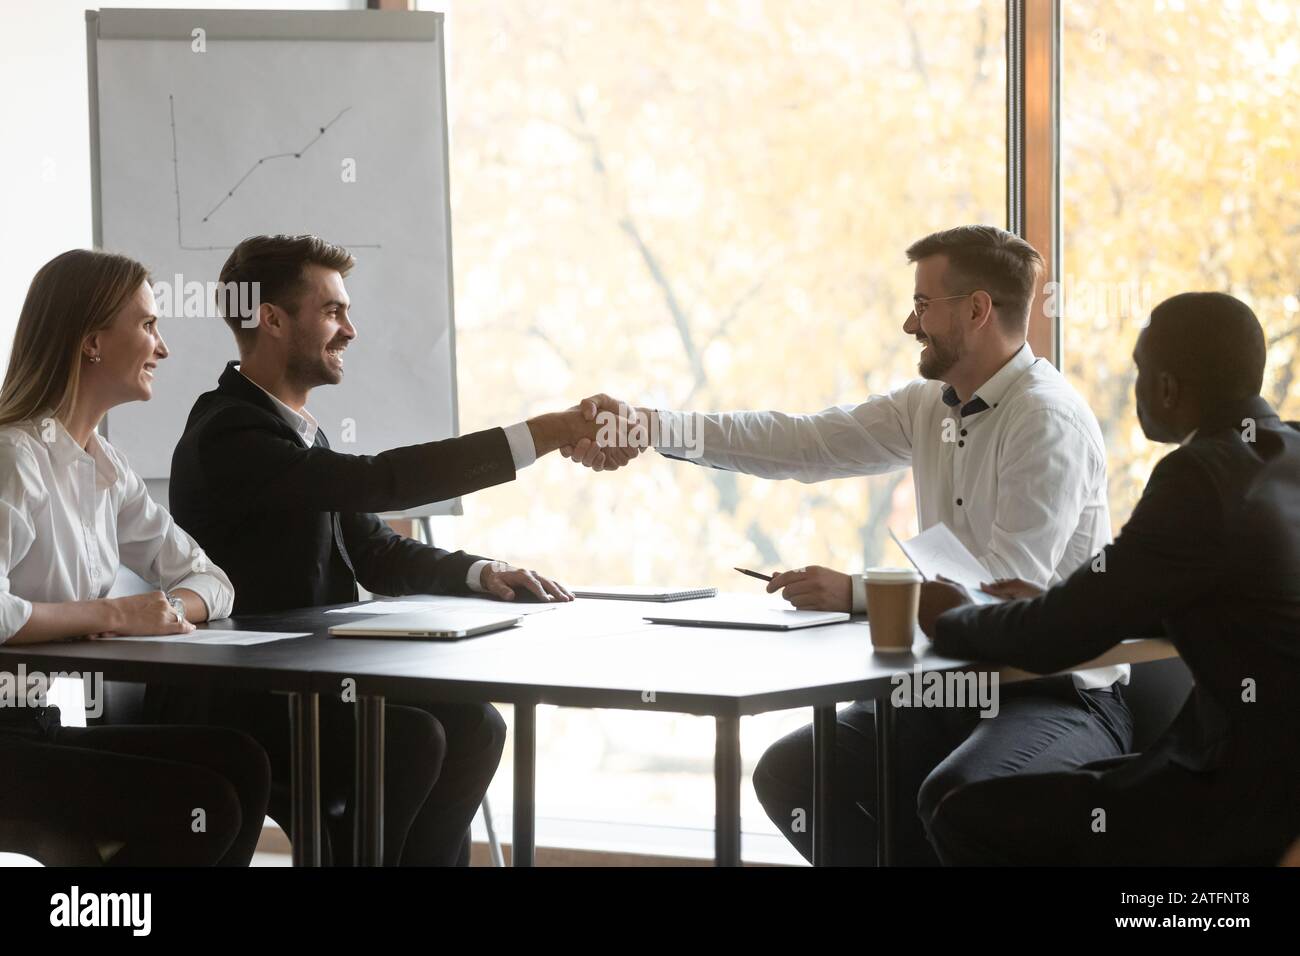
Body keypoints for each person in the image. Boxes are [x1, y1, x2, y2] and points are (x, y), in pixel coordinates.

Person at [565, 225, 1132, 865]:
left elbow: (1002, 589)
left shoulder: (1046, 418)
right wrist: (648, 427)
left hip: (1056, 693)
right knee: (792, 772)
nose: (908, 324)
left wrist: (856, 592)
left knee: (960, 796)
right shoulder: (926, 406)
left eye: (923, 305)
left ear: (977, 310)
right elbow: (799, 443)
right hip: (948, 686)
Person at [149, 233, 618, 865]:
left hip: (311, 688)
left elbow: (375, 552)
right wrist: (549, 432)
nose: (351, 330)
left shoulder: (293, 435)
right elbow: (377, 482)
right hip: (246, 700)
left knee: (477, 724)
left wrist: (484, 573)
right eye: (334, 311)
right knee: (411, 737)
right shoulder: (229, 433)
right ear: (273, 319)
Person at [919, 292, 1300, 865]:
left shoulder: (1199, 476)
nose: (1137, 387)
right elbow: (1227, 594)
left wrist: (954, 617)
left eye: (1141, 371)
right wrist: (1059, 599)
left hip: (1237, 799)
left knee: (964, 813)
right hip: (1271, 782)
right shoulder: (1286, 451)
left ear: (1168, 387)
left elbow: (1064, 635)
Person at [0, 249, 270, 866]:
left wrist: (167, 606)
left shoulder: (104, 465)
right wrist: (116, 614)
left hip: (33, 725)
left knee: (241, 760)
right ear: (92, 341)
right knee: (204, 803)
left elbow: (213, 581)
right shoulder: (15, 457)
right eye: (148, 325)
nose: (163, 347)